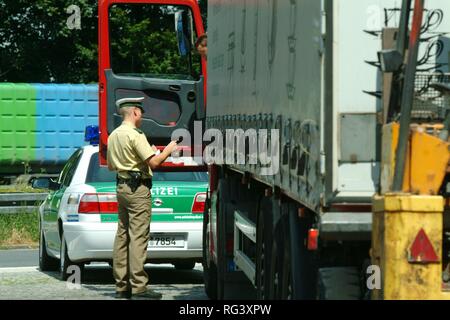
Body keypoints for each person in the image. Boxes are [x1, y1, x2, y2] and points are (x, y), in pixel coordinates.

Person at [107, 97, 179, 300]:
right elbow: (155, 162)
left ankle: (122, 286)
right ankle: (139, 287)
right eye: (141, 112)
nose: (142, 116)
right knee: (138, 237)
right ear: (135, 112)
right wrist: (168, 149)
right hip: (138, 189)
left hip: (121, 186)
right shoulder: (135, 135)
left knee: (122, 236)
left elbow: (112, 166)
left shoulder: (114, 135)